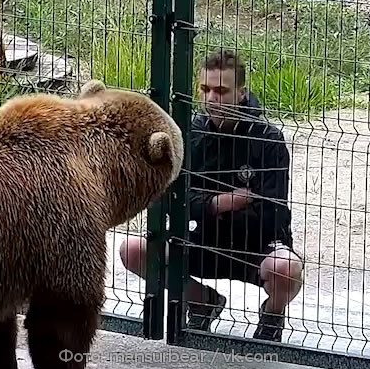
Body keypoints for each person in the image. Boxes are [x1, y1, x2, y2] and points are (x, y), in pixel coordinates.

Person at [118, 49, 304, 342]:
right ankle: (202, 302)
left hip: (255, 244)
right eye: (205, 89)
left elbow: (273, 211)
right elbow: (171, 199)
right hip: (203, 237)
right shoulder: (189, 133)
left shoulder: (267, 138)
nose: (211, 98)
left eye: (221, 90)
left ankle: (272, 315)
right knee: (133, 250)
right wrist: (221, 203)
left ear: (241, 93)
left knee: (286, 268)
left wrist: (201, 203)